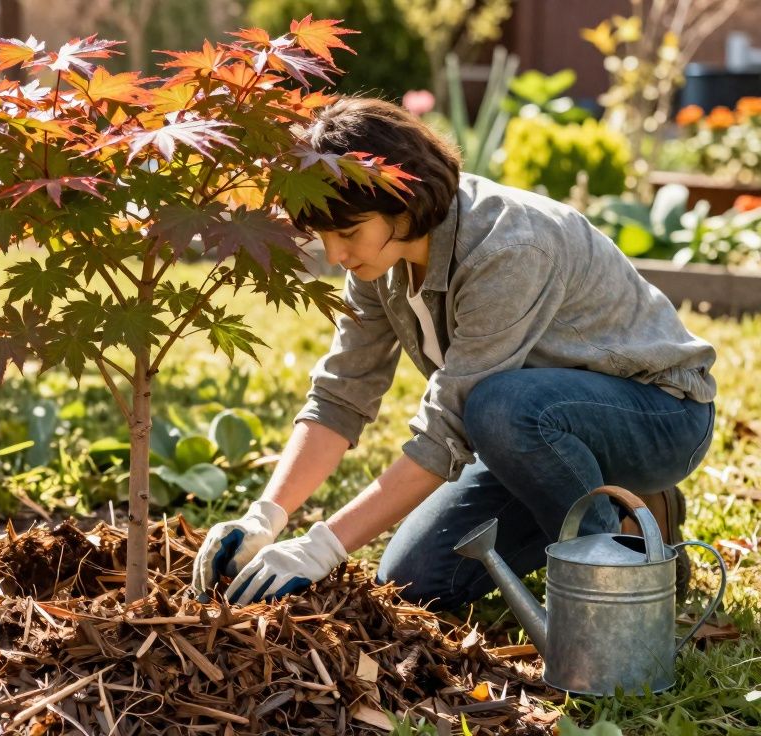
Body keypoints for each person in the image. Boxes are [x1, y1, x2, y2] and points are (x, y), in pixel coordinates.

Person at [191, 96, 717, 608]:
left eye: (346, 232)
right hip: (531, 434)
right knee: (414, 579)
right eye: (324, 235)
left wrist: (321, 547)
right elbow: (340, 395)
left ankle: (618, 570)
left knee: (498, 407)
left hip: (659, 415)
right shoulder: (379, 260)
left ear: (402, 201)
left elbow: (450, 426)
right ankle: (616, 500)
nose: (335, 254)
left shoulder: (506, 246)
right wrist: (266, 516)